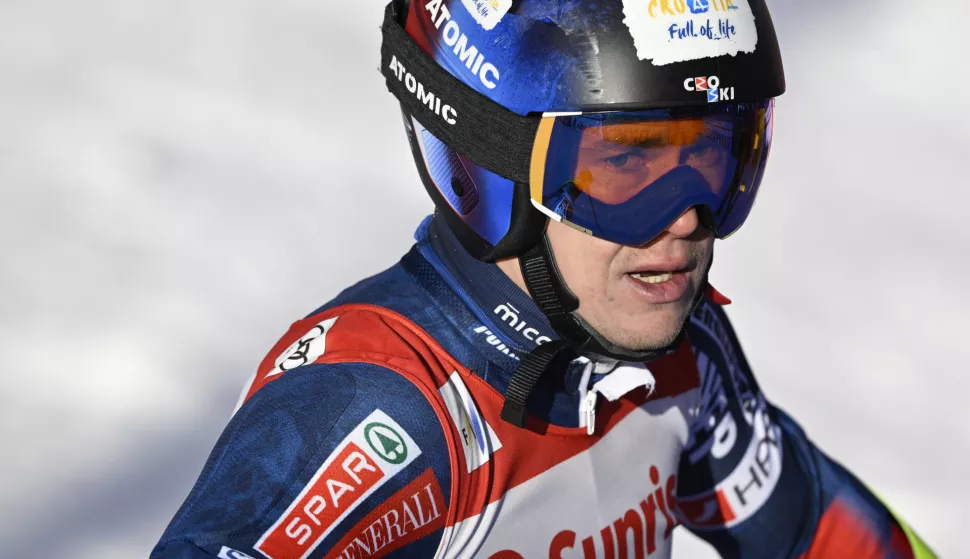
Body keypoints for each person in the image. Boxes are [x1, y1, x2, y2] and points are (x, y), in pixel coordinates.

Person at [152, 1, 937, 558]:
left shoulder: (678, 352)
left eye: (712, 156)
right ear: (489, 172)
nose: (686, 220)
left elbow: (817, 533)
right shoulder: (381, 410)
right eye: (626, 164)